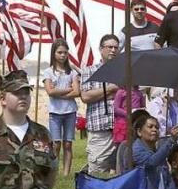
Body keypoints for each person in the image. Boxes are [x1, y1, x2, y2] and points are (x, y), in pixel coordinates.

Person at [80, 35, 120, 176]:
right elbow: (85, 96)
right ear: (101, 49)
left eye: (116, 47)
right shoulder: (89, 71)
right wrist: (109, 90)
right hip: (100, 129)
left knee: (120, 172)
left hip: (121, 129)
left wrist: (97, 94)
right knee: (97, 171)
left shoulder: (123, 72)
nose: (113, 50)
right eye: (109, 47)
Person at [41, 38, 79, 176]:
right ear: (54, 53)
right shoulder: (48, 72)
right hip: (55, 112)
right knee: (56, 143)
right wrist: (67, 90)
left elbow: (77, 91)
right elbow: (50, 91)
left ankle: (66, 173)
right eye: (60, 52)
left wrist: (59, 92)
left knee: (68, 143)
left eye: (65, 52)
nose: (63, 55)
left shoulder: (72, 73)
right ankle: (54, 171)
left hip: (70, 111)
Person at [132, 114, 178, 189]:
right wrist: (171, 140)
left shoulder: (159, 150)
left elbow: (168, 178)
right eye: (150, 127)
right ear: (139, 132)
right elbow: (152, 162)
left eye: (157, 127)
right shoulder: (136, 149)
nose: (154, 130)